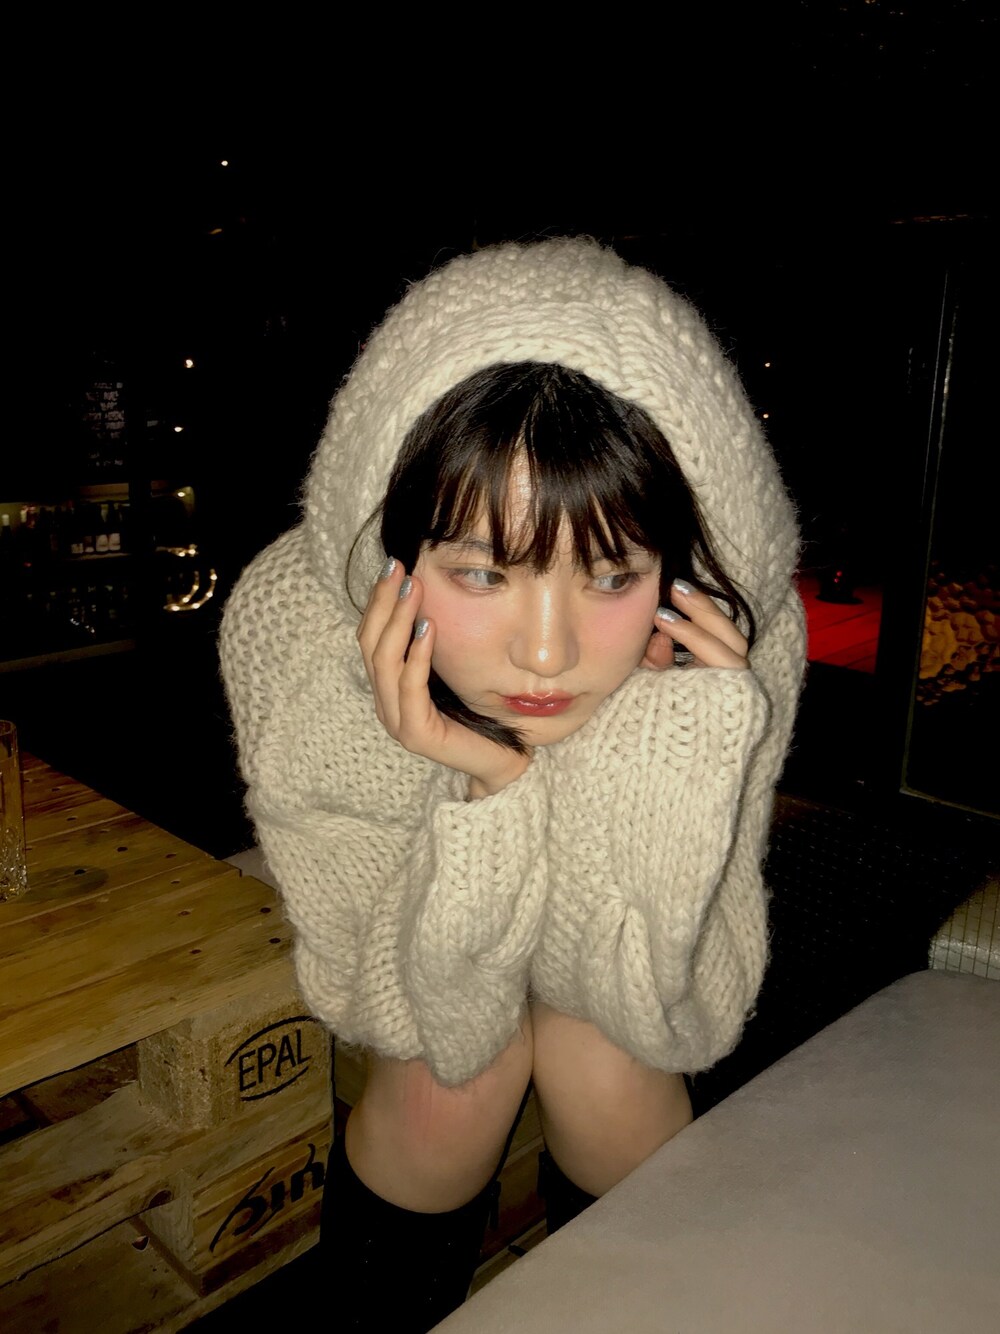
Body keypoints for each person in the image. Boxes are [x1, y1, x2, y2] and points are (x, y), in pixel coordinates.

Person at [219, 235, 805, 1331]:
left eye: (613, 574)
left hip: (625, 986)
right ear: (397, 554)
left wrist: (670, 741)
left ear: (677, 564)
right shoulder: (301, 636)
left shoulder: (732, 646)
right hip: (417, 954)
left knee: (606, 1056)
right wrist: (487, 784)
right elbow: (396, 1000)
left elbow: (672, 1007)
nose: (547, 651)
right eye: (483, 571)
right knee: (460, 1075)